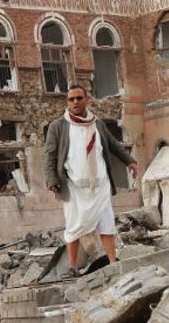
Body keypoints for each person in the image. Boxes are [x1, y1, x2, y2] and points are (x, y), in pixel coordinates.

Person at [44, 85, 137, 276]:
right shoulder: (58, 126)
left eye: (79, 98)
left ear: (87, 100)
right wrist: (51, 178)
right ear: (67, 102)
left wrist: (130, 161)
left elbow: (113, 145)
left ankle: (112, 262)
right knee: (74, 227)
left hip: (100, 185)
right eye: (71, 99)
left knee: (106, 224)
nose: (75, 102)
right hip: (74, 187)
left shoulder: (97, 124)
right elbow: (50, 155)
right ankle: (72, 267)